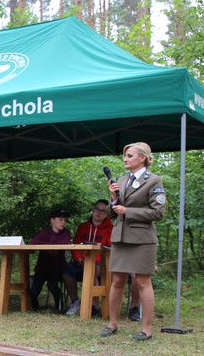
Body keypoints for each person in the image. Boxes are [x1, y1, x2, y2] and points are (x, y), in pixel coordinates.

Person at [100, 142, 166, 341]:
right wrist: (113, 200)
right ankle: (112, 324)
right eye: (125, 155)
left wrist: (128, 211)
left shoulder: (153, 180)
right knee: (117, 281)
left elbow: (158, 212)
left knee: (142, 281)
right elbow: (113, 214)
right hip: (121, 237)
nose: (125, 159)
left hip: (142, 239)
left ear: (142, 158)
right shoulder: (122, 180)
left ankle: (146, 328)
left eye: (129, 155)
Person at [64, 200, 113, 315]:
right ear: (93, 209)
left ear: (107, 214)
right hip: (81, 261)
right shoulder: (83, 227)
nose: (99, 212)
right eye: (97, 209)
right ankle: (75, 302)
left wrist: (94, 260)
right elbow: (75, 245)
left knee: (92, 269)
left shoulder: (111, 228)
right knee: (67, 270)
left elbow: (110, 249)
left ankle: (93, 306)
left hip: (101, 264)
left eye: (103, 211)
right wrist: (78, 258)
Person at [29, 209, 72, 311]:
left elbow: (64, 244)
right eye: (60, 219)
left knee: (52, 286)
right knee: (34, 291)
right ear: (52, 220)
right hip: (42, 267)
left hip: (57, 267)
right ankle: (35, 308)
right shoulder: (45, 232)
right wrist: (48, 248)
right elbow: (33, 242)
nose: (63, 222)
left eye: (65, 220)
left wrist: (47, 246)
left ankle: (59, 304)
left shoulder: (66, 233)